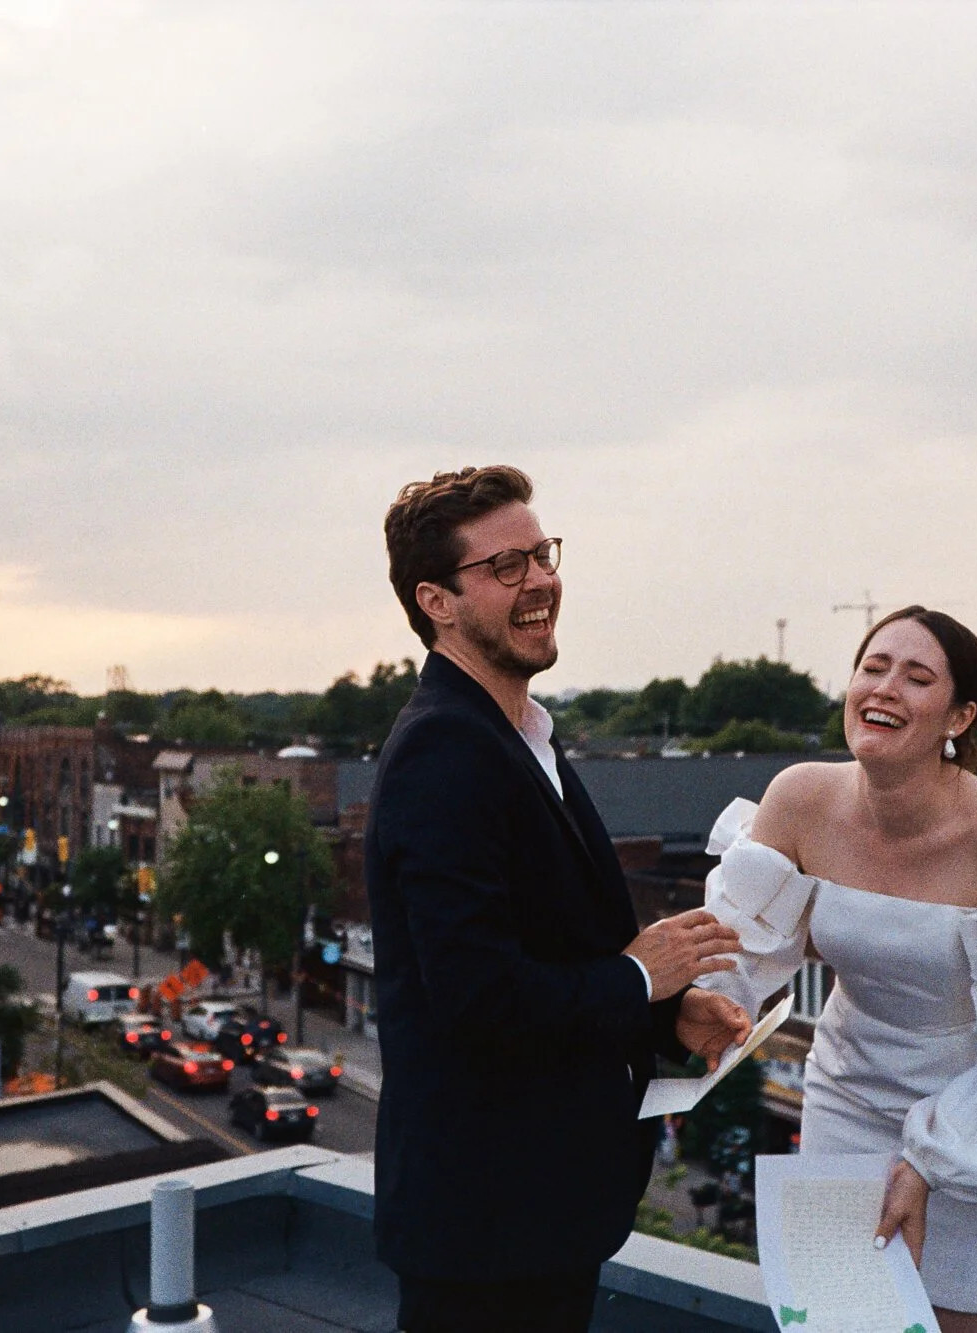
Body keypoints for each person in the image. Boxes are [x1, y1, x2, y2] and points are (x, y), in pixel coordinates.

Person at [365, 466, 753, 1333]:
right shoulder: (444, 750)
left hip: (537, 1220)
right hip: (485, 1233)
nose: (541, 579)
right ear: (437, 600)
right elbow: (475, 995)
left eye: (543, 554)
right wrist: (637, 978)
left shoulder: (519, 735)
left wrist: (667, 1014)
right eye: (506, 566)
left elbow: (550, 946)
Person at [694, 606, 977, 1332]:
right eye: (874, 667)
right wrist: (701, 1007)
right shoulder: (799, 798)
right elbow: (742, 947)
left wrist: (931, 1162)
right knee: (840, 1318)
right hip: (845, 1095)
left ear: (960, 716)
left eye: (917, 678)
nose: (885, 688)